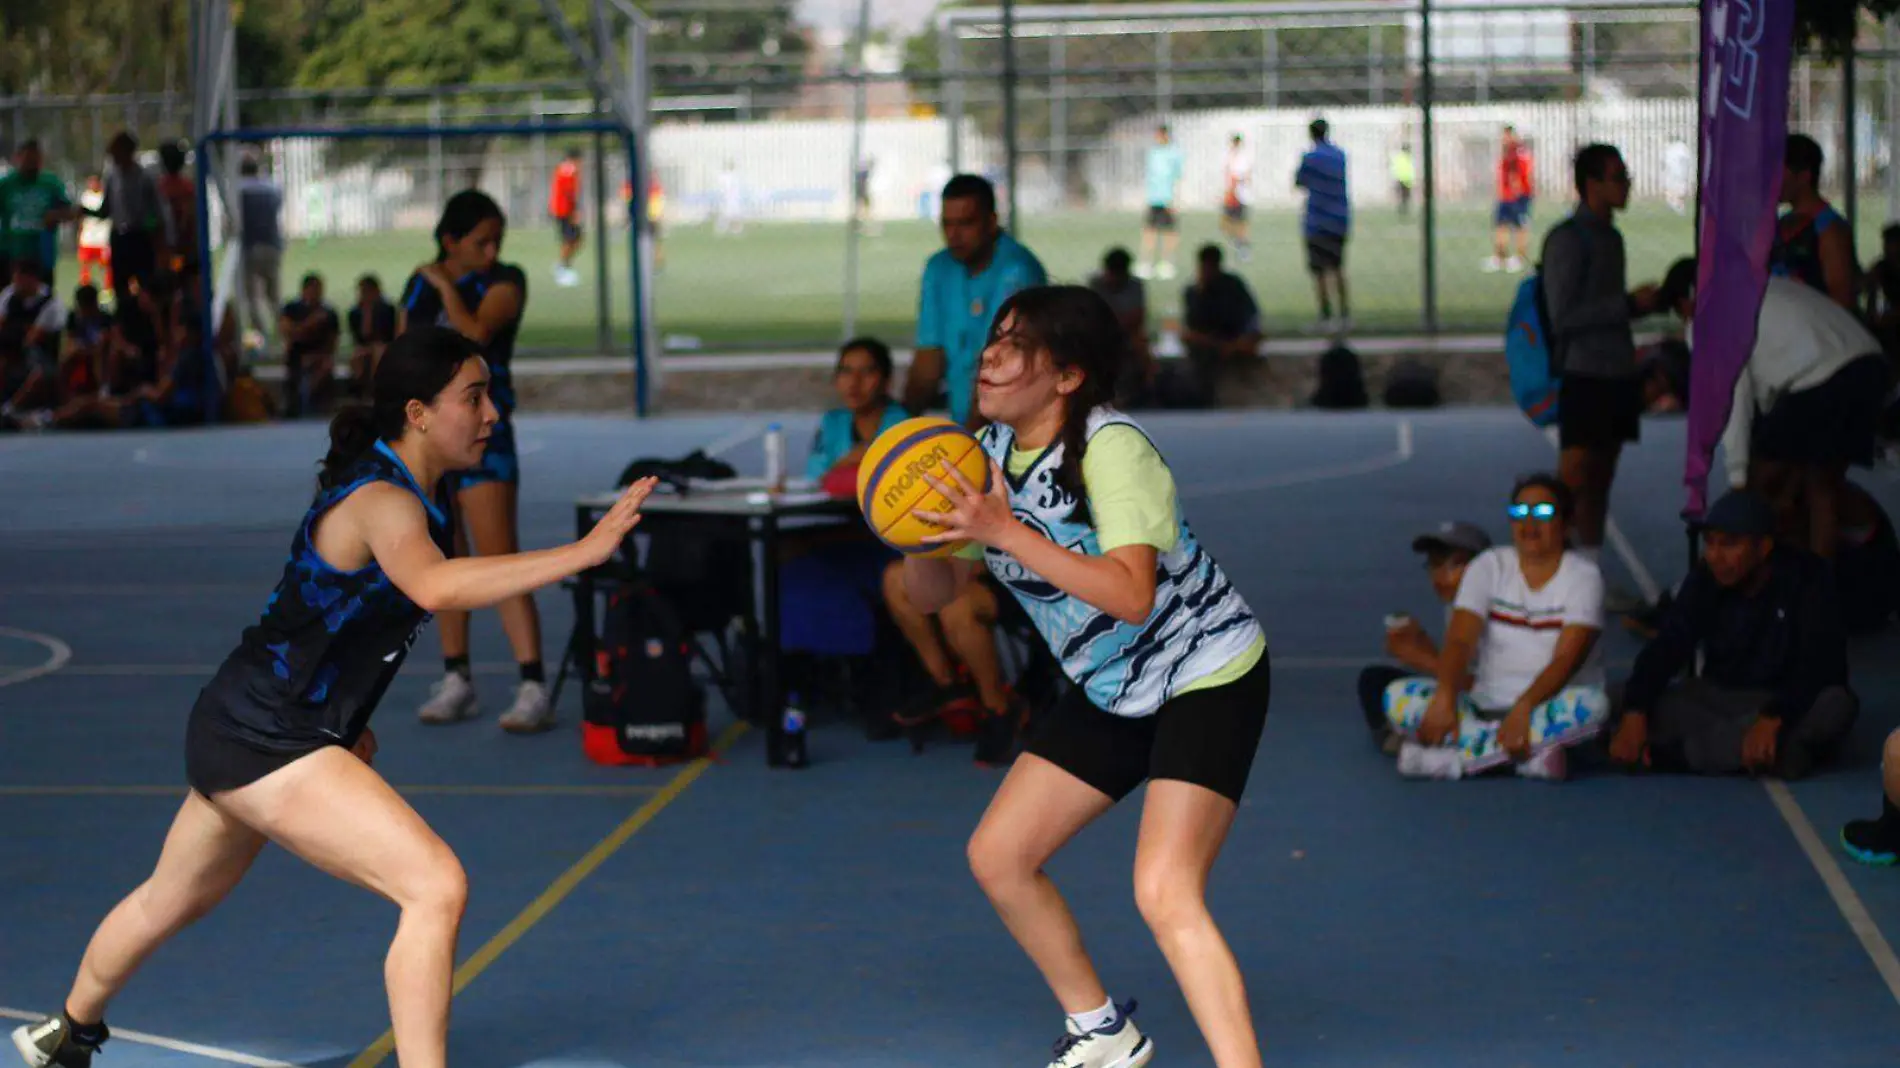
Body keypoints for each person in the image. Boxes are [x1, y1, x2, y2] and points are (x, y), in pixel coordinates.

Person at [6, 327, 658, 1068]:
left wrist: (350, 722)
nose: (490, 415)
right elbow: (435, 589)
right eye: (472, 398)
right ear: (417, 412)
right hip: (272, 736)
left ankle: (65, 1033)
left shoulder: (412, 495)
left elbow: (343, 622)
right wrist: (581, 553)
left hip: (241, 724)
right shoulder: (385, 500)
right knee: (434, 886)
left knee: (169, 899)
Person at [906, 285, 1271, 1067]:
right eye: (993, 338)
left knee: (1164, 891)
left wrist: (1002, 529)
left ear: (1067, 376)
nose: (990, 355)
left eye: (1016, 345)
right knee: (998, 856)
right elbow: (937, 593)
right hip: (1115, 688)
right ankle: (1103, 1031)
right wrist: (911, 532)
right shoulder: (988, 459)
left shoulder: (1112, 448)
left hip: (1205, 671)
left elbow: (1132, 594)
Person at [397, 191, 548, 733]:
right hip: (435, 440)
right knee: (445, 557)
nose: (492, 252)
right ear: (450, 241)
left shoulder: (505, 281)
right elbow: (406, 352)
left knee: (498, 554)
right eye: (481, 242)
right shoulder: (417, 287)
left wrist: (442, 285)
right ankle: (457, 676)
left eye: (496, 242)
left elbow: (475, 334)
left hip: (486, 435)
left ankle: (532, 682)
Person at [1608, 490, 1856, 781]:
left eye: (1729, 545)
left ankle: (1670, 754)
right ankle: (1761, 755)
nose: (1714, 555)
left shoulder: (1809, 579)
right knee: (1618, 698)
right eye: (1709, 544)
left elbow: (1820, 665)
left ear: (1763, 547)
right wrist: (1635, 711)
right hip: (1718, 697)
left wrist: (1773, 717)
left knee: (1836, 705)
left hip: (1786, 701)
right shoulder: (1707, 577)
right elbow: (1669, 644)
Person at [1660, 257, 1888, 559]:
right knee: (1820, 480)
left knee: (1768, 482)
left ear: (1686, 301)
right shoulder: (1763, 287)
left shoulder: (1709, 320)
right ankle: (1865, 541)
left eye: (1680, 313)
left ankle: (1801, 583)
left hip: (1822, 377)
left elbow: (1734, 399)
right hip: (1868, 366)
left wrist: (1739, 478)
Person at [1386, 474, 1610, 782]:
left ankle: (1454, 762)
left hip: (1546, 707)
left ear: (1567, 523)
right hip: (1484, 704)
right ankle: (1523, 759)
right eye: (1520, 513)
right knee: (1396, 696)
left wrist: (1524, 709)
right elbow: (1461, 640)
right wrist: (1445, 697)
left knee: (1594, 706)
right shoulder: (1490, 565)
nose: (1529, 523)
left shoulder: (1584, 577)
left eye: (1542, 513)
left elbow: (1565, 660)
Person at [1541, 144, 1661, 604]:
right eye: (1617, 176)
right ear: (1591, 184)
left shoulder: (1612, 237)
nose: (1626, 184)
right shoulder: (1568, 240)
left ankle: (1587, 573)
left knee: (1602, 478)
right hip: (1584, 371)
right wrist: (1628, 305)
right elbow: (1563, 315)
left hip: (1616, 372)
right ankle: (1549, 571)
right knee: (1573, 476)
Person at [903, 173, 1046, 427]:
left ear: (991, 222)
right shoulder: (938, 268)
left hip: (1012, 425)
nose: (954, 235)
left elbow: (1002, 365)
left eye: (966, 223)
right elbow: (928, 359)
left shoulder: (1018, 271)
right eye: (947, 224)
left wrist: (969, 442)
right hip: (965, 419)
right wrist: (898, 429)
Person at [1356, 521, 1491, 754]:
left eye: (1456, 564)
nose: (1441, 575)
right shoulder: (1456, 606)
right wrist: (1427, 650)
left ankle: (1426, 743)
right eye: (1435, 565)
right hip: (1476, 698)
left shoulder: (1497, 613)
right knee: (1375, 680)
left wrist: (1422, 660)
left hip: (1502, 707)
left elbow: (1494, 689)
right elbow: (1461, 672)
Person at [1771, 133, 1857, 310]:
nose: (1773, 181)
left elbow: (1842, 302)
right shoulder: (1781, 224)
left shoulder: (1830, 230)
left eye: (1779, 173)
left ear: (1803, 176)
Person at [1294, 118, 1351, 334]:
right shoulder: (1340, 155)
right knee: (1338, 267)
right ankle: (1345, 314)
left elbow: (1299, 182)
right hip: (1339, 217)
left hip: (1317, 219)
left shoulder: (1310, 158)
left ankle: (1326, 315)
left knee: (1319, 271)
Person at [1137, 124, 1184, 281]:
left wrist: (1176, 199)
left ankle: (1166, 263)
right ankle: (1146, 263)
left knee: (1168, 232)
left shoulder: (1174, 153)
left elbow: (1178, 177)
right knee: (1149, 230)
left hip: (1168, 199)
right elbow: (1150, 177)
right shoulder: (1153, 153)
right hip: (1153, 198)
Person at [1485, 125, 1534, 274]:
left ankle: (1519, 258)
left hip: (1517, 197)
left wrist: (1517, 191)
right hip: (1505, 196)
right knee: (1501, 224)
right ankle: (1500, 257)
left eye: (1506, 136)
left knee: (1520, 226)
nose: (1503, 139)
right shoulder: (1507, 152)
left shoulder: (1517, 153)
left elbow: (1521, 174)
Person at [549, 147, 583, 287]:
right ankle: (562, 268)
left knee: (575, 239)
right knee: (570, 239)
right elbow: (569, 193)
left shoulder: (563, 169)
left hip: (561, 210)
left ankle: (564, 266)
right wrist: (573, 212)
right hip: (564, 211)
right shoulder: (569, 170)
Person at [1219, 133, 1254, 262]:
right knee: (1226, 223)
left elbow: (1245, 176)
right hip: (1230, 195)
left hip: (1240, 196)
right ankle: (1236, 242)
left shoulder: (1243, 159)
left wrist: (1235, 186)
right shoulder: (1228, 157)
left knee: (1241, 223)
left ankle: (1244, 248)